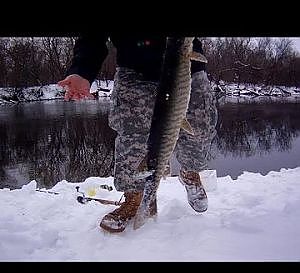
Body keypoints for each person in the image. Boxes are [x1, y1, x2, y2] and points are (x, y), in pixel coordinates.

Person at [58, 35, 218, 233]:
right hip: (135, 70)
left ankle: (190, 173)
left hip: (187, 69)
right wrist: (82, 70)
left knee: (200, 128)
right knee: (133, 138)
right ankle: (137, 197)